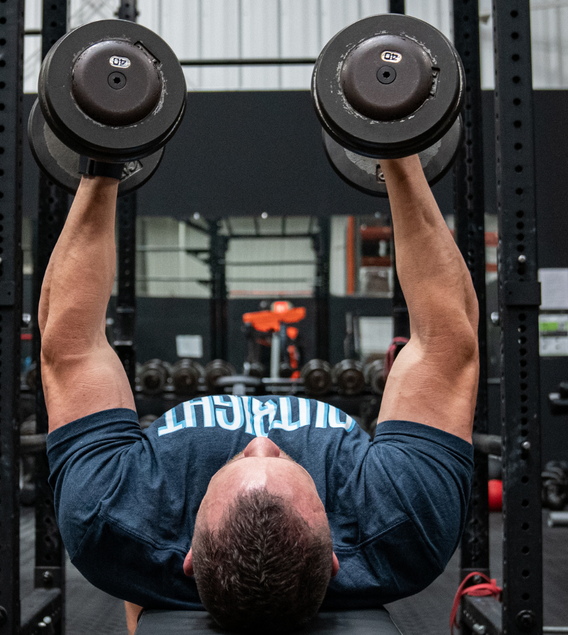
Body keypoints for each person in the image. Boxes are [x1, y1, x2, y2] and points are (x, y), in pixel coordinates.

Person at [41, 154, 479, 634]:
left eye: (235, 461)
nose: (262, 439)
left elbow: (70, 346)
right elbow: (448, 343)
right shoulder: (403, 525)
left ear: (187, 555)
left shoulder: (109, 514)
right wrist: (399, 152)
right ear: (335, 558)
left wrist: (101, 162)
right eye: (288, 462)